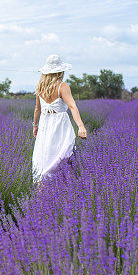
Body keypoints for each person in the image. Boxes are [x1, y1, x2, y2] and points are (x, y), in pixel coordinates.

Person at [32, 54, 87, 182]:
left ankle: (43, 192)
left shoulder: (40, 87)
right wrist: (81, 126)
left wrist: (35, 126)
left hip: (45, 125)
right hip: (60, 126)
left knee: (44, 158)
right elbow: (72, 106)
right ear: (59, 71)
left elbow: (37, 109)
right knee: (63, 155)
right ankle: (64, 188)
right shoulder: (63, 86)